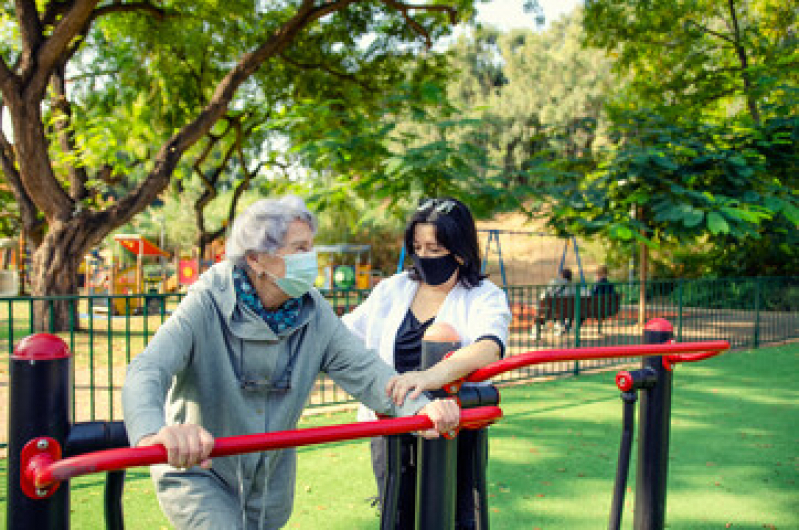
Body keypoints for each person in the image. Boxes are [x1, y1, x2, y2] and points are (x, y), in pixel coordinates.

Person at [122, 196, 459, 530]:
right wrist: (152, 435)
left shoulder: (313, 310)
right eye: (299, 249)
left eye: (311, 247)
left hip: (268, 483)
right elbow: (148, 368)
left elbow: (366, 371)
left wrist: (420, 410)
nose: (310, 259)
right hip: (200, 470)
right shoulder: (208, 299)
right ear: (257, 259)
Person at [342, 197, 512, 530]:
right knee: (398, 517)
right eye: (418, 248)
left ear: (459, 251)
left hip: (454, 428)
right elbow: (343, 333)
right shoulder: (393, 289)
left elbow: (489, 346)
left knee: (460, 518)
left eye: (434, 250)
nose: (424, 257)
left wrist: (431, 376)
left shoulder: (483, 295)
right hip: (392, 424)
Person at [531, 267, 576, 339]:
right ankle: (565, 326)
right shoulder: (574, 286)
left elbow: (544, 294)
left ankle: (536, 332)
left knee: (541, 312)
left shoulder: (554, 282)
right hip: (569, 312)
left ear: (561, 275)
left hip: (553, 311)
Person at [591, 265, 616, 334]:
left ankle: (569, 327)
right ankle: (599, 329)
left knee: (581, 310)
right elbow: (613, 294)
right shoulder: (610, 284)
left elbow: (592, 294)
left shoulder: (597, 284)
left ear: (599, 274)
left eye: (596, 274)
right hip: (607, 308)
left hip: (595, 307)